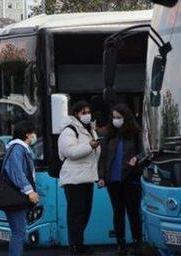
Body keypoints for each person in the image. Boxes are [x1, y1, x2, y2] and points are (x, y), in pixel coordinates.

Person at [98, 104, 143, 255]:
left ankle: (137, 242)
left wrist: (136, 158)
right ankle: (121, 244)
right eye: (114, 117)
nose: (116, 120)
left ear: (126, 117)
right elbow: (103, 157)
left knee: (133, 212)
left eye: (119, 117)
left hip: (130, 178)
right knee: (118, 212)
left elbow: (144, 152)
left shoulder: (136, 133)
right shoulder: (109, 134)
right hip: (113, 180)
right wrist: (102, 177)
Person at [58, 101, 101, 255]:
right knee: (76, 214)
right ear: (76, 114)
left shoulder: (89, 129)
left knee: (85, 213)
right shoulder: (69, 131)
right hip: (74, 179)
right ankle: (75, 246)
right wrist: (90, 146)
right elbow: (71, 152)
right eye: (83, 112)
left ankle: (79, 243)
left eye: (88, 112)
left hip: (87, 178)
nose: (87, 115)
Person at [1, 121, 39, 256]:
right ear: (27, 134)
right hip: (16, 197)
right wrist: (29, 191)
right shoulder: (18, 149)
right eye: (33, 133)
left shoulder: (17, 148)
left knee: (18, 232)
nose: (34, 136)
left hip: (15, 196)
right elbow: (17, 172)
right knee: (19, 233)